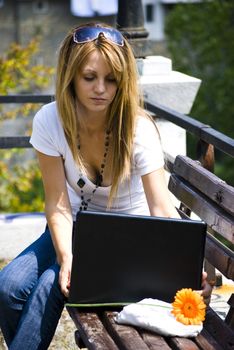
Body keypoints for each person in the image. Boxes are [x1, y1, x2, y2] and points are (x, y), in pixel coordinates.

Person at [0, 23, 212, 349]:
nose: (101, 88)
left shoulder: (137, 129)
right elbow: (56, 203)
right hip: (72, 225)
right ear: (71, 75)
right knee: (8, 287)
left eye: (111, 79)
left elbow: (160, 206)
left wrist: (183, 265)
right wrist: (67, 255)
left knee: (48, 285)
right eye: (89, 77)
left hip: (127, 235)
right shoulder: (49, 121)